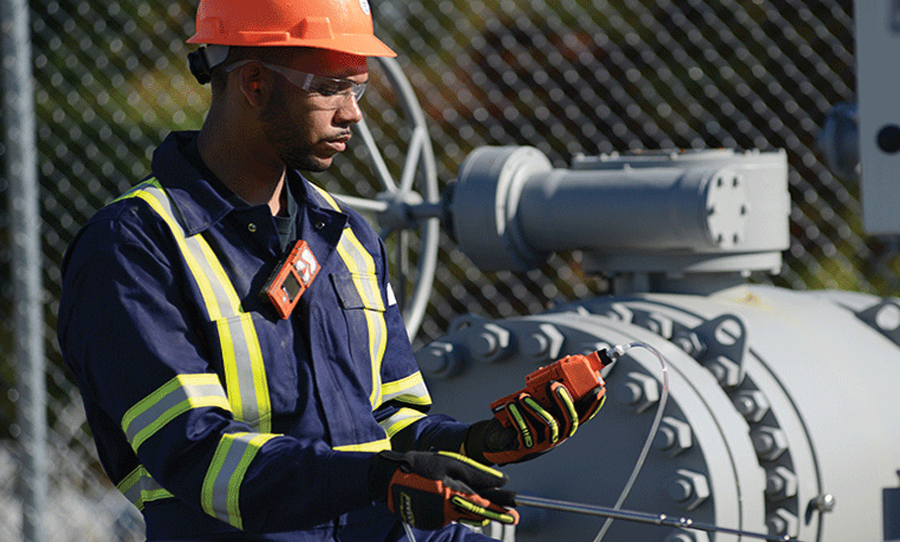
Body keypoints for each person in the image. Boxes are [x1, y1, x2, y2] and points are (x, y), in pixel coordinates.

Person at [57, 0, 605, 540]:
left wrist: (483, 442)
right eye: (332, 87)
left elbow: (390, 423)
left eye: (358, 86)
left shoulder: (346, 234)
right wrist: (376, 479)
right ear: (253, 82)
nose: (354, 112)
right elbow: (196, 453)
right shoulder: (134, 247)